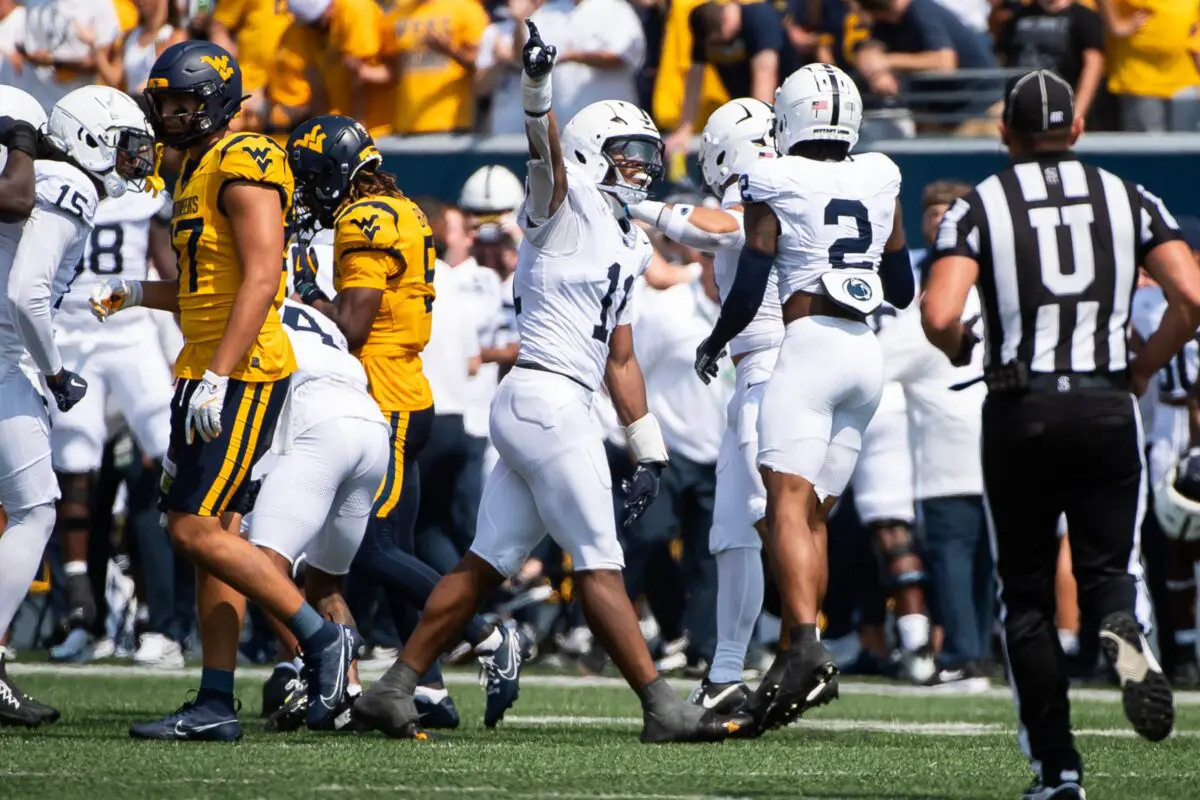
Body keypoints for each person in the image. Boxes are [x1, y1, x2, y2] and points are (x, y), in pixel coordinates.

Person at [353, 21, 750, 744]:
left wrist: (648, 449)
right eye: (627, 154)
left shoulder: (628, 238)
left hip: (554, 400)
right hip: (545, 397)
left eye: (646, 154)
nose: (640, 166)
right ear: (593, 154)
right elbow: (543, 152)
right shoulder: (560, 207)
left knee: (483, 564)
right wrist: (537, 88)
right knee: (599, 558)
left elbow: (622, 358)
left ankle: (395, 685)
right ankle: (661, 705)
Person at [921, 69, 1199, 799]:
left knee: (1028, 595)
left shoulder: (982, 204)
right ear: (1077, 131)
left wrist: (961, 351)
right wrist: (1141, 367)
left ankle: (1057, 767)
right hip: (1107, 403)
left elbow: (941, 314)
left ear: (1005, 133)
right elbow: (1192, 294)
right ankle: (1118, 622)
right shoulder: (1128, 196)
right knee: (1108, 572)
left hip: (1024, 406)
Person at [90, 41, 359, 739]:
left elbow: (264, 277)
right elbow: (205, 291)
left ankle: (321, 641)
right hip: (205, 364)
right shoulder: (197, 172)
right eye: (167, 103)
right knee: (217, 533)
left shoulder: (246, 157)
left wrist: (217, 374)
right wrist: (135, 293)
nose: (173, 115)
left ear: (215, 100)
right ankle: (215, 701)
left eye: (186, 102)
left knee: (190, 527)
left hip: (238, 372)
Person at [692, 63, 914, 735]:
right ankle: (798, 652)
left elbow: (754, 272)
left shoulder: (772, 176)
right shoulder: (880, 174)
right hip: (865, 355)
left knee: (785, 504)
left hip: (809, 343)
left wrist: (716, 340)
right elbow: (900, 283)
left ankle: (801, 648)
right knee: (813, 513)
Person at [285, 114, 522, 729]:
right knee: (399, 553)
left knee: (366, 548)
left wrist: (307, 291)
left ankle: (488, 637)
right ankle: (431, 690)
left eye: (312, 177)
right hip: (409, 392)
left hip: (384, 396)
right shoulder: (406, 209)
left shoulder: (363, 220)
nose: (309, 191)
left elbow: (353, 323)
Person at [0, 84, 155, 728]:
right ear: (92, 137)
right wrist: (59, 373)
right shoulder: (69, 183)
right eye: (125, 145)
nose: (134, 159)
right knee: (37, 511)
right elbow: (27, 294)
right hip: (7, 364)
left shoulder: (36, 174)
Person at [629, 97, 777, 710]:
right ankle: (723, 663)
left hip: (774, 378)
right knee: (733, 532)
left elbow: (719, 226)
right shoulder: (672, 306)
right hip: (714, 421)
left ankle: (797, 644)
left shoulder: (764, 199)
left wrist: (627, 202)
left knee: (769, 521)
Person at [245, 297, 392, 731]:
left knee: (263, 563)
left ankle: (316, 671)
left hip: (316, 420)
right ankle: (351, 695)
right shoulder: (313, 313)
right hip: (370, 424)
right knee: (324, 580)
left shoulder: (248, 304)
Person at [48, 187, 178, 665]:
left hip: (131, 331)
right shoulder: (55, 188)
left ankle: (166, 620)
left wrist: (183, 355)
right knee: (75, 467)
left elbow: (172, 277)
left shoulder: (146, 200)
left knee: (168, 457)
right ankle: (85, 612)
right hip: (71, 332)